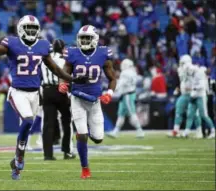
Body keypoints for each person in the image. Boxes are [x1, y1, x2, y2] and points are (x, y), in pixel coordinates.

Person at [0, 15, 87, 180]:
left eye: (33, 29)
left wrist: (71, 78)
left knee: (27, 126)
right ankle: (20, 156)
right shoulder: (12, 43)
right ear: (21, 29)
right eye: (28, 28)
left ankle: (16, 163)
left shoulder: (43, 45)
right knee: (29, 120)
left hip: (36, 93)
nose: (30, 31)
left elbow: (55, 69)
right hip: (17, 91)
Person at [59, 25, 117, 179]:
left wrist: (109, 94)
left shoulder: (103, 54)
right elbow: (64, 72)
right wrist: (62, 83)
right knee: (83, 135)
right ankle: (85, 168)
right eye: (82, 38)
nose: (84, 41)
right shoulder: (72, 53)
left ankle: (85, 133)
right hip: (77, 98)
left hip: (95, 101)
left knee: (98, 139)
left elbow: (112, 78)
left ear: (95, 39)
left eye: (87, 38)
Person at [41, 39, 76, 160]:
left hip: (46, 90)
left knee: (48, 124)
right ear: (62, 48)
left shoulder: (45, 59)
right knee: (67, 122)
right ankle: (67, 151)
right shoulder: (64, 60)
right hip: (61, 90)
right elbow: (66, 76)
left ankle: (48, 154)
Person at [107, 58, 144, 138]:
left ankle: (140, 130)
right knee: (121, 114)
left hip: (127, 95)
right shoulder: (134, 72)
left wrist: (111, 89)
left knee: (132, 113)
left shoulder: (125, 73)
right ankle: (115, 131)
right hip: (128, 94)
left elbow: (120, 84)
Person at [169, 55, 202, 138]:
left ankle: (199, 131)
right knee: (178, 110)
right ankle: (176, 131)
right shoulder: (181, 70)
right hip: (184, 94)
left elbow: (198, 81)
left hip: (193, 94)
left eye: (182, 63)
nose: (181, 64)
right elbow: (181, 82)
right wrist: (177, 90)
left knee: (195, 114)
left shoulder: (195, 70)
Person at [182, 62, 215, 138]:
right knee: (190, 114)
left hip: (200, 95)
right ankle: (186, 132)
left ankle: (213, 130)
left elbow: (201, 86)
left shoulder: (199, 73)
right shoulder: (190, 74)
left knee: (204, 115)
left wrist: (192, 88)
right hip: (193, 96)